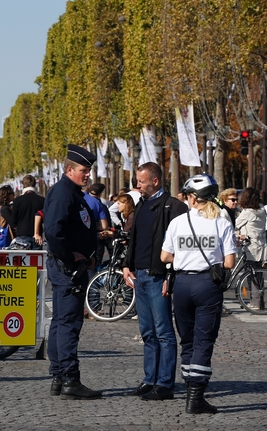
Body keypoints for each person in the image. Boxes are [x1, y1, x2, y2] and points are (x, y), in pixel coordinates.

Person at [161, 174, 236, 414]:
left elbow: (165, 257)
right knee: (204, 340)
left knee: (188, 340)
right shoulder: (221, 223)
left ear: (193, 198)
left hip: (182, 284)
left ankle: (189, 389)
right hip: (207, 285)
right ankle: (196, 396)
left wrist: (184, 256)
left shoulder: (178, 222)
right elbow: (229, 262)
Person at [122, 162, 187, 400]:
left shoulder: (174, 207)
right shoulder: (141, 204)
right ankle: (150, 379)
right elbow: (134, 239)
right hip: (139, 275)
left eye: (141, 181)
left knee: (164, 332)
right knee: (147, 332)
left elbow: (179, 247)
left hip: (158, 276)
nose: (137, 185)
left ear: (155, 181)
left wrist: (170, 276)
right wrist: (127, 264)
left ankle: (165, 383)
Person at [45, 144, 102, 400]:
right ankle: (69, 378)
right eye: (84, 170)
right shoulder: (63, 194)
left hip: (68, 267)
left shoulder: (70, 192)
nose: (88, 174)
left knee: (60, 322)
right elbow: (54, 232)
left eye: (89, 170)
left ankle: (59, 376)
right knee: (68, 324)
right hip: (68, 268)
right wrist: (70, 257)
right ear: (69, 169)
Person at [236, 187, 267, 309]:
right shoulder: (262, 210)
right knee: (259, 275)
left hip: (250, 246)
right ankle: (260, 302)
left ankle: (254, 302)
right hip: (261, 245)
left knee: (250, 274)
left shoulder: (247, 213)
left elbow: (235, 223)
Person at [10, 175, 44, 250]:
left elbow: (13, 221)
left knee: (23, 261)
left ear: (23, 185)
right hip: (37, 235)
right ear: (35, 184)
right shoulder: (42, 200)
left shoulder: (17, 201)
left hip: (22, 233)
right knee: (36, 260)